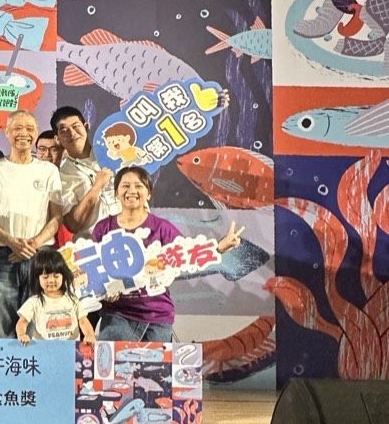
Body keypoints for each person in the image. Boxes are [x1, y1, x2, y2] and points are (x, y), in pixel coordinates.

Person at [91, 166, 243, 341]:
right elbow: (93, 272)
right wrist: (105, 290)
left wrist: (219, 247)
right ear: (116, 193)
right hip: (117, 315)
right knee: (115, 360)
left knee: (156, 361)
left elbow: (187, 254)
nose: (131, 191)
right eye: (125, 186)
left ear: (148, 193)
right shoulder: (103, 228)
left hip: (157, 316)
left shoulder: (162, 228)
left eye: (138, 186)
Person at [0, 112, 63, 338]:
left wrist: (33, 244)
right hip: (2, 255)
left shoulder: (49, 171)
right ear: (6, 132)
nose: (23, 133)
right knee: (4, 329)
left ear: (36, 132)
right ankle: (6, 363)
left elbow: (56, 218)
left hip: (40, 256)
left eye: (29, 129)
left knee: (37, 330)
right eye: (17, 128)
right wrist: (11, 242)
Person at [53, 106, 118, 241]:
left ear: (86, 127)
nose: (72, 133)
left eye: (76, 126)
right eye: (63, 130)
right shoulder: (60, 175)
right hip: (92, 245)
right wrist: (97, 187)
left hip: (131, 237)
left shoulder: (112, 153)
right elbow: (73, 224)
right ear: (57, 139)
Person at [15, 246, 95, 344]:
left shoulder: (73, 299)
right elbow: (22, 322)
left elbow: (83, 321)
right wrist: (21, 335)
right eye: (45, 277)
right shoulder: (34, 301)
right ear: (38, 278)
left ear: (63, 276)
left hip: (70, 349)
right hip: (43, 350)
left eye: (56, 276)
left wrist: (89, 335)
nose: (51, 280)